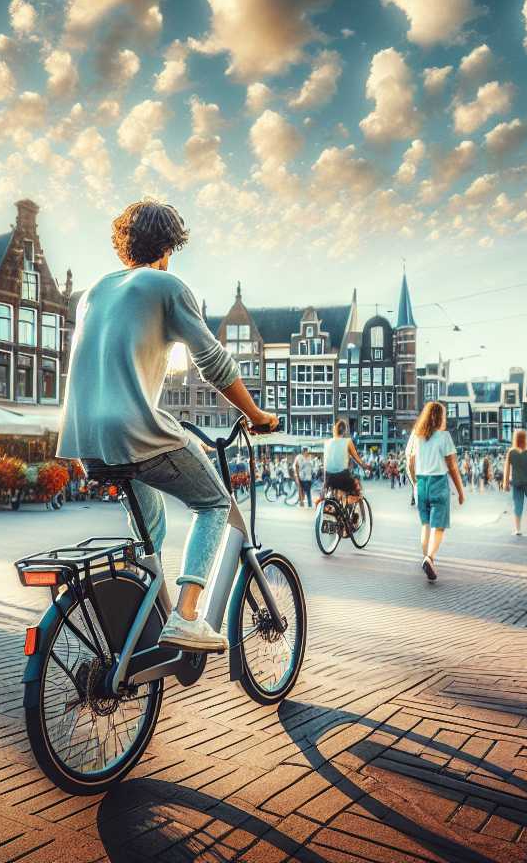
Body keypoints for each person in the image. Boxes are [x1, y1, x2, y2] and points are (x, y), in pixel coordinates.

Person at [57, 200, 278, 655]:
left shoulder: (94, 292)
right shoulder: (166, 285)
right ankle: (186, 616)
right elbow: (214, 362)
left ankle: (144, 614)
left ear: (125, 246)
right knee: (214, 502)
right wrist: (256, 416)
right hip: (133, 431)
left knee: (150, 531)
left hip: (83, 440)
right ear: (169, 247)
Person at [408, 401, 465, 581]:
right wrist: (461, 491)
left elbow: (410, 462)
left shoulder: (418, 437)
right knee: (438, 526)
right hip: (438, 482)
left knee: (425, 525)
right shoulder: (444, 436)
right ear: (440, 417)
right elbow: (452, 466)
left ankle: (426, 559)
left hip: (422, 483)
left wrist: (415, 482)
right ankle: (430, 558)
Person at [321, 420, 365, 510]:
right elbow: (357, 459)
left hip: (328, 476)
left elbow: (325, 461)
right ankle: (352, 511)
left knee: (328, 493)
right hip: (342, 476)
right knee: (357, 492)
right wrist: (366, 466)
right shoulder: (348, 441)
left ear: (334, 431)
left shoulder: (326, 442)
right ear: (344, 431)